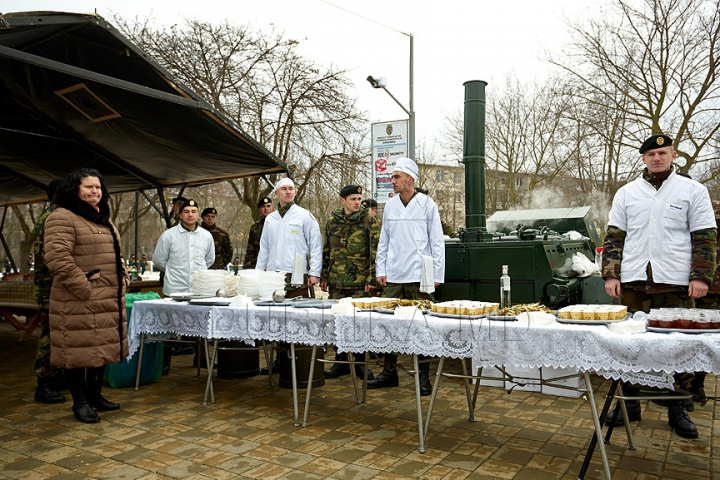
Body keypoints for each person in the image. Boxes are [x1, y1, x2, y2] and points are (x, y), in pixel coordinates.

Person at [602, 134, 717, 439]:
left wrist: (701, 277)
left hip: (675, 282)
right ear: (643, 159)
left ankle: (678, 407)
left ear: (673, 155)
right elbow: (614, 237)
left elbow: (705, 237)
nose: (656, 158)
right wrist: (611, 274)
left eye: (662, 153)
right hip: (633, 281)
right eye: (651, 154)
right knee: (628, 344)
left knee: (679, 346)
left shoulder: (692, 190)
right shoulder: (627, 193)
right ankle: (630, 405)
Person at [44, 168, 130, 423]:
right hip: (77, 299)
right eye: (89, 186)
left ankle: (95, 396)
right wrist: (85, 289)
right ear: (75, 189)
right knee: (77, 352)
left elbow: (115, 255)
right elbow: (58, 259)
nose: (95, 191)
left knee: (100, 349)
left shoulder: (101, 218)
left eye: (98, 187)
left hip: (106, 298)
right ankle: (79, 402)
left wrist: (123, 278)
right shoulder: (62, 217)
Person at [368, 157, 445, 396]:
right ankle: (389, 371)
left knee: (423, 325)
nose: (392, 181)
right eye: (392, 177)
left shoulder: (427, 204)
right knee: (390, 322)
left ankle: (423, 376)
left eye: (396, 177)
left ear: (410, 179)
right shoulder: (390, 206)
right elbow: (385, 240)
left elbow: (437, 241)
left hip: (420, 275)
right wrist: (381, 270)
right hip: (395, 274)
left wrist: (437, 273)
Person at [320, 185, 379, 380]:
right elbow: (327, 250)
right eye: (353, 199)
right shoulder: (332, 221)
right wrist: (324, 276)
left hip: (359, 282)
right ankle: (341, 362)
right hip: (337, 280)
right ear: (342, 200)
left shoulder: (368, 221)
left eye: (359, 198)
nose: (357, 202)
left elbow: (375, 253)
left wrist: (372, 278)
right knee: (338, 322)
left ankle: (361, 363)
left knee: (358, 323)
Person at [153, 199, 215, 374]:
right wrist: (174, 272)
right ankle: (166, 361)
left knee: (201, 324)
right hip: (175, 288)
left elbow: (209, 260)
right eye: (186, 211)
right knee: (169, 325)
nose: (190, 214)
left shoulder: (206, 236)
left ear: (197, 214)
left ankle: (201, 358)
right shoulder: (169, 235)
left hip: (198, 289)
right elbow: (159, 260)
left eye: (194, 211)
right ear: (180, 214)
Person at [32, 179, 67, 405]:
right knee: (50, 334)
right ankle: (44, 382)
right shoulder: (50, 220)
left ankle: (54, 376)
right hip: (49, 288)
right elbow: (52, 260)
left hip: (53, 287)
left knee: (57, 332)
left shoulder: (52, 216)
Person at [256, 178, 322, 298]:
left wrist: (314, 272)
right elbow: (264, 248)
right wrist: (258, 273)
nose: (288, 192)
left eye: (291, 189)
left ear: (295, 193)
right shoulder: (270, 219)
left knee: (299, 313)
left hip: (296, 276)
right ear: (276, 193)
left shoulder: (305, 216)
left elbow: (315, 245)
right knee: (272, 312)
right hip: (273, 276)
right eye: (284, 189)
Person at [243, 196, 274, 270]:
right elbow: (251, 249)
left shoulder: (279, 224)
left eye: (268, 206)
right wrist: (247, 267)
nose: (266, 208)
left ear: (273, 209)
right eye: (263, 207)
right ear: (259, 210)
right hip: (259, 264)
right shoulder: (255, 227)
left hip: (275, 264)